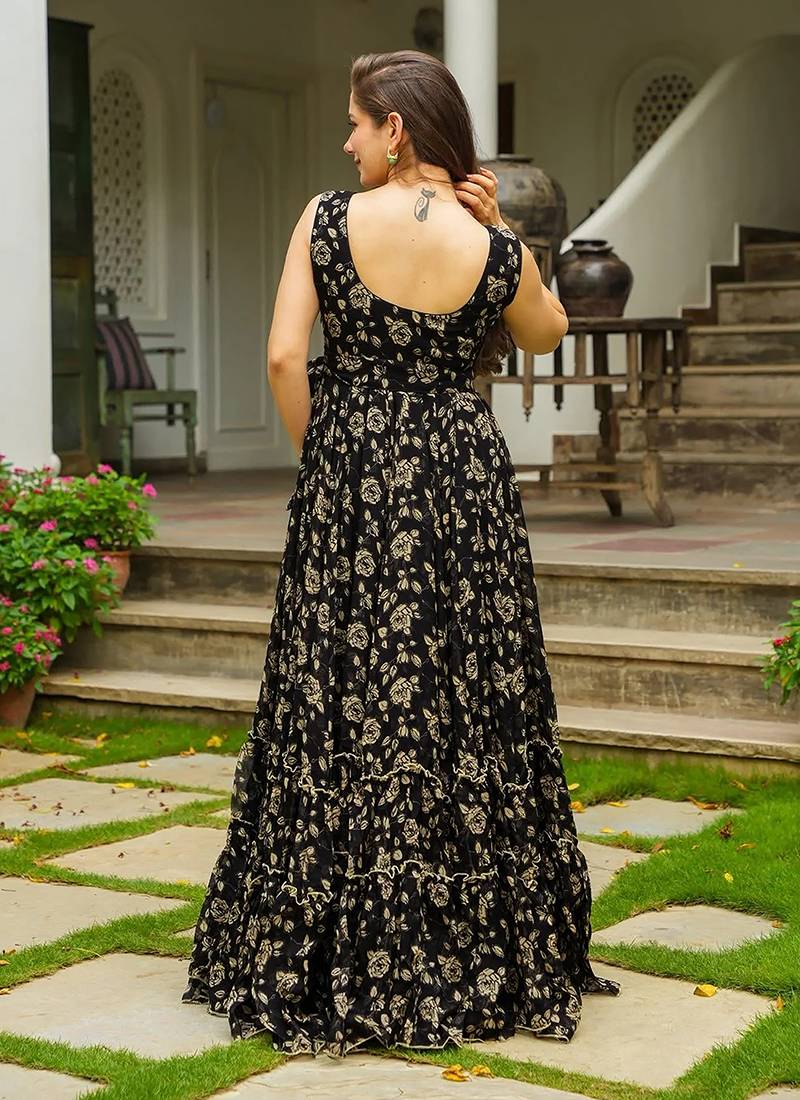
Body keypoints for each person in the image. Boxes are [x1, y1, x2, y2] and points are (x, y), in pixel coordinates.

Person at [182, 48, 619, 1059]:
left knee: (338, 690)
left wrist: (326, 458)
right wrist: (507, 235)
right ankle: (474, 944)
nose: (345, 141)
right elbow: (546, 334)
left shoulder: (326, 218)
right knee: (465, 692)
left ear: (396, 127)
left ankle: (324, 940)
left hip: (354, 470)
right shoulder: (489, 241)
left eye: (355, 121)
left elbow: (284, 355)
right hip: (462, 479)